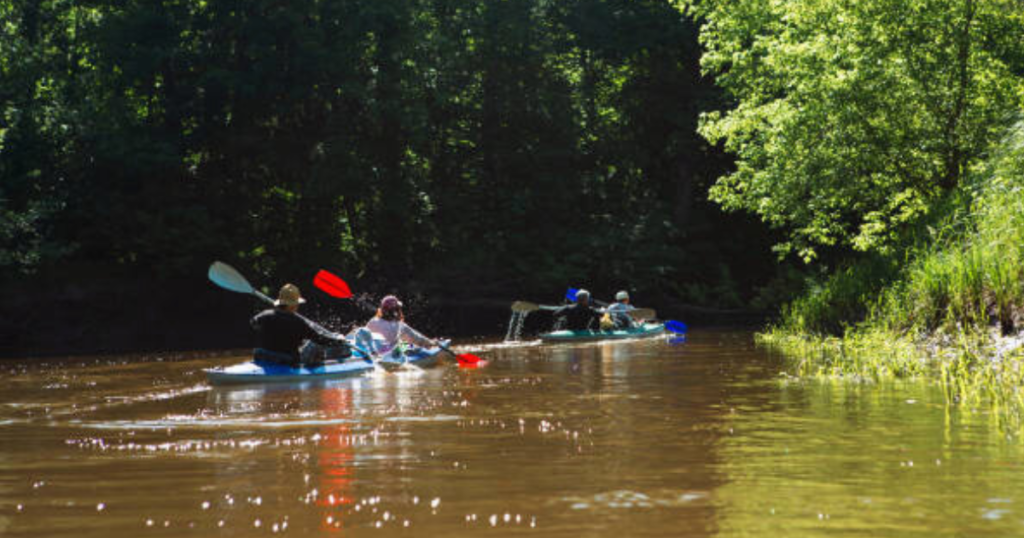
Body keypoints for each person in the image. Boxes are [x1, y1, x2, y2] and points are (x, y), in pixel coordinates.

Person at [251, 283, 350, 367]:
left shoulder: (265, 315)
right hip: (286, 361)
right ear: (293, 305)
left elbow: (253, 323)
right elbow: (320, 339)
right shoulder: (299, 322)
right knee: (314, 344)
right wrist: (338, 341)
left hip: (262, 356)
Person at [351, 295, 437, 355]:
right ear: (396, 311)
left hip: (374, 350)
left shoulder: (372, 321)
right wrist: (431, 343)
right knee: (409, 345)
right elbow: (417, 338)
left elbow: (365, 336)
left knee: (401, 344)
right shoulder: (400, 325)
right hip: (389, 352)